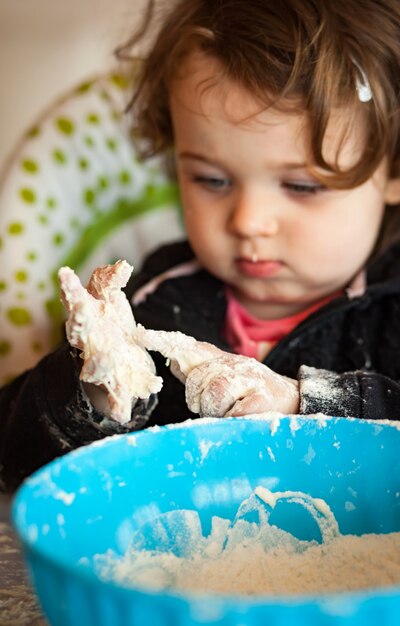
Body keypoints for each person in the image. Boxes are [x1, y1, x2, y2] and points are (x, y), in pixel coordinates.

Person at [2, 0, 400, 492]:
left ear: (393, 167)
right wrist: (92, 392)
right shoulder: (157, 303)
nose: (248, 222)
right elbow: (12, 457)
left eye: (301, 186)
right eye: (212, 179)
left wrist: (308, 401)